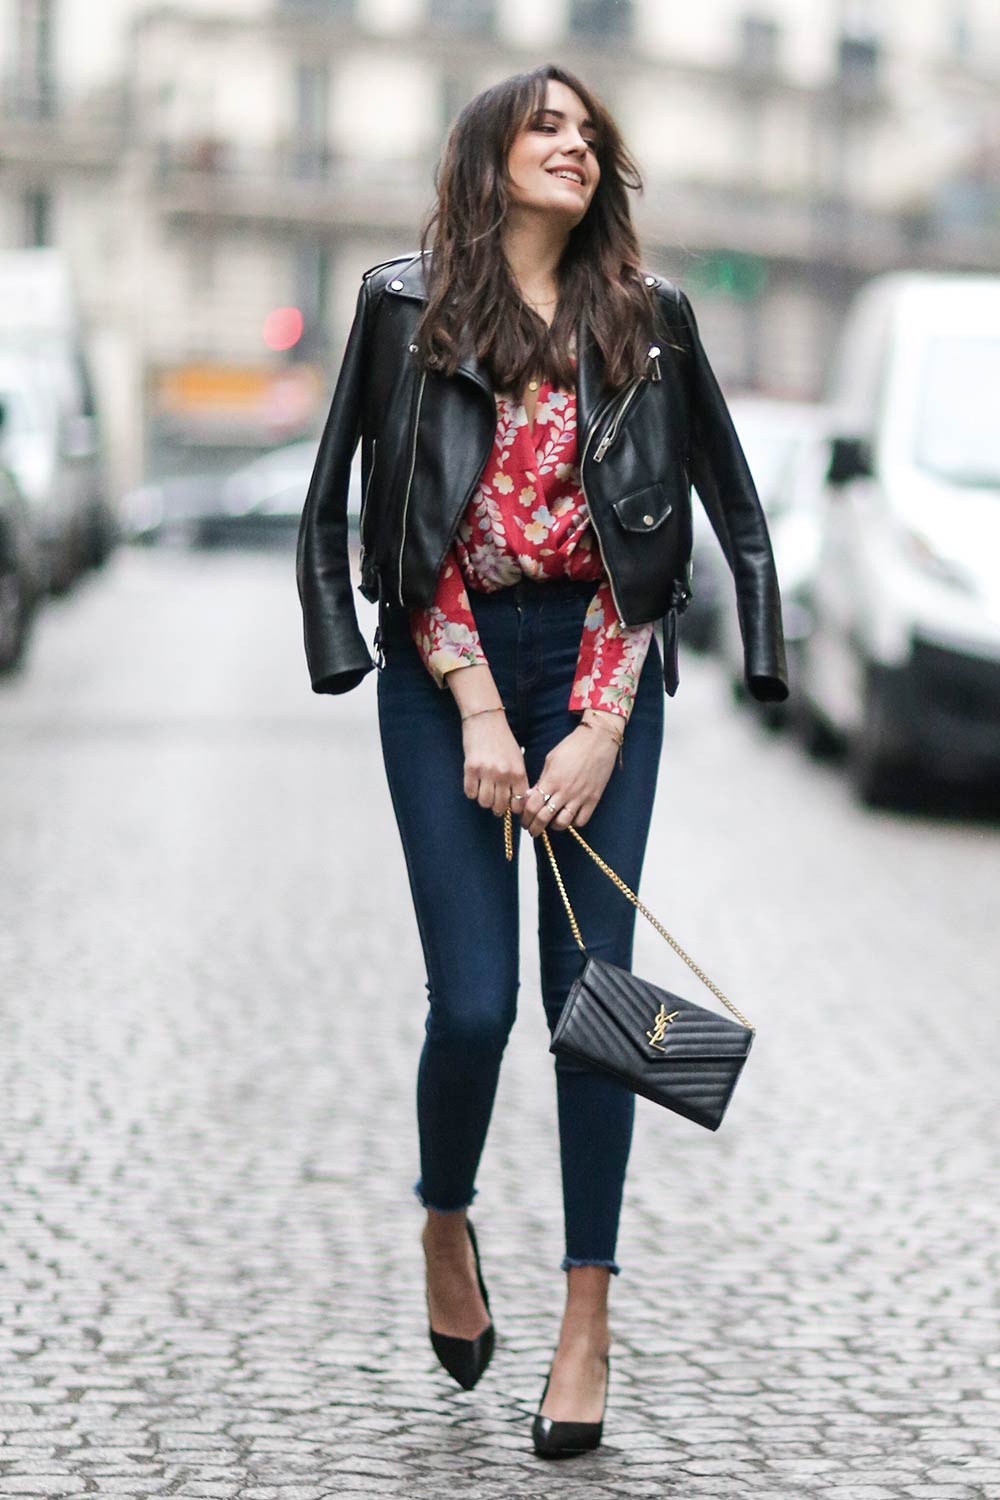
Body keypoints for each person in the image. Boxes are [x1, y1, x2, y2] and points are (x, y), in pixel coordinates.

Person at [297, 63, 787, 1458]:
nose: (574, 147)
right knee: (473, 1006)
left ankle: (586, 1323)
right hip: (449, 677)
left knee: (596, 1012)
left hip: (598, 679)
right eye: (545, 126)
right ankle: (444, 1217)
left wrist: (603, 722)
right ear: (488, 156)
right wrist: (475, 706)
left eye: (589, 133)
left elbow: (691, 534)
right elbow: (364, 505)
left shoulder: (650, 321)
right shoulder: (402, 309)